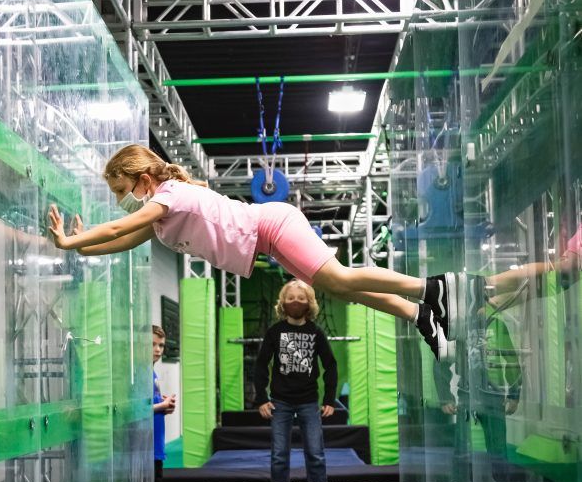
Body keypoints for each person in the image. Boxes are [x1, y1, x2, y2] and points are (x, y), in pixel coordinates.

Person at [47, 144, 461, 360]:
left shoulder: (170, 194)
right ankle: (420, 315)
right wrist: (85, 252)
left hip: (273, 225)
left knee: (341, 279)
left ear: (141, 178)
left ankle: (432, 288)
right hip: (268, 243)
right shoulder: (158, 218)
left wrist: (71, 240)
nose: (121, 200)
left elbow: (120, 225)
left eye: (121, 190)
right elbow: (123, 239)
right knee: (343, 288)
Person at [254, 280, 336, 482]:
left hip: (309, 401)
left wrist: (329, 399)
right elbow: (261, 365)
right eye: (291, 298)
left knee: (316, 455)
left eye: (301, 299)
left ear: (309, 303)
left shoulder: (316, 332)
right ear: (283, 303)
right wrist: (262, 398)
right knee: (279, 456)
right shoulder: (275, 332)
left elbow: (331, 366)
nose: (296, 302)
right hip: (280, 402)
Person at [152, 324, 175, 478]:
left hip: (156, 449)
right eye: (152, 344)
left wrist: (165, 407)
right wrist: (162, 405)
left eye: (161, 345)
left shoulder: (152, 373)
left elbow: (149, 407)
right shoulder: (137, 375)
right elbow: (134, 410)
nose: (158, 349)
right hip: (146, 451)